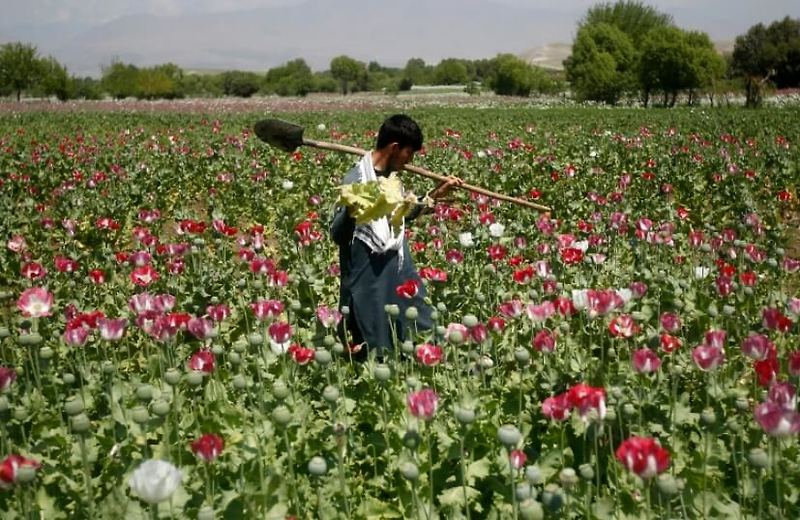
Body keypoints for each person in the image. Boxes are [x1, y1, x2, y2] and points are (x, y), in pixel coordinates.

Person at [330, 114, 460, 359]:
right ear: (395, 148)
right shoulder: (355, 181)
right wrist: (350, 209)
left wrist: (436, 194)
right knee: (374, 346)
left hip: (399, 271)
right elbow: (337, 235)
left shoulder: (391, 181)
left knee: (422, 329)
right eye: (409, 154)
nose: (410, 161)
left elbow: (400, 213)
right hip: (369, 278)